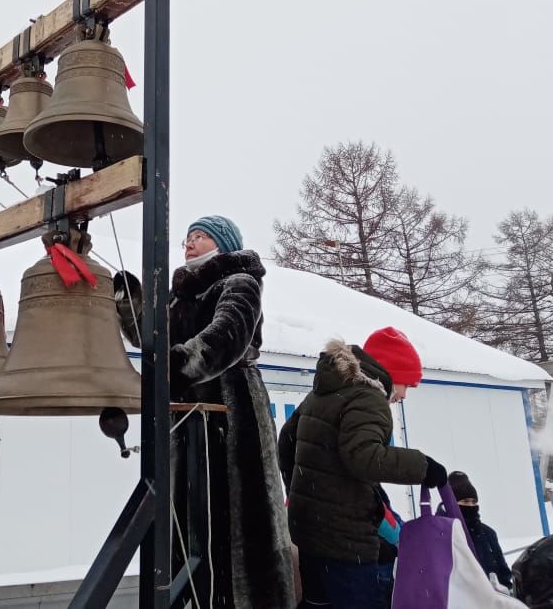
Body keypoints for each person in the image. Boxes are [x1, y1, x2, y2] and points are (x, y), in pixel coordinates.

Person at [114, 215, 295, 608]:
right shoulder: (179, 298)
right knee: (188, 517)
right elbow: (154, 337)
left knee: (236, 517)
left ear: (223, 244)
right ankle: (196, 595)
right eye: (188, 237)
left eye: (201, 237)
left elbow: (225, 338)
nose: (190, 243)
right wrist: (131, 307)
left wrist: (171, 367)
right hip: (187, 415)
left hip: (231, 413)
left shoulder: (240, 283)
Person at [278, 327, 448, 609]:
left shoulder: (325, 392)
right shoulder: (368, 398)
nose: (404, 394)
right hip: (346, 543)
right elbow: (363, 456)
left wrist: (300, 492)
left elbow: (286, 441)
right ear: (391, 372)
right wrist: (423, 466)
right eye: (408, 383)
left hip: (309, 534)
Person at [440, 471, 513, 590]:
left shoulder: (488, 533)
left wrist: (505, 591)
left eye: (473, 501)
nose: (470, 506)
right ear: (451, 503)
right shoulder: (440, 534)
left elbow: (504, 574)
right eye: (465, 501)